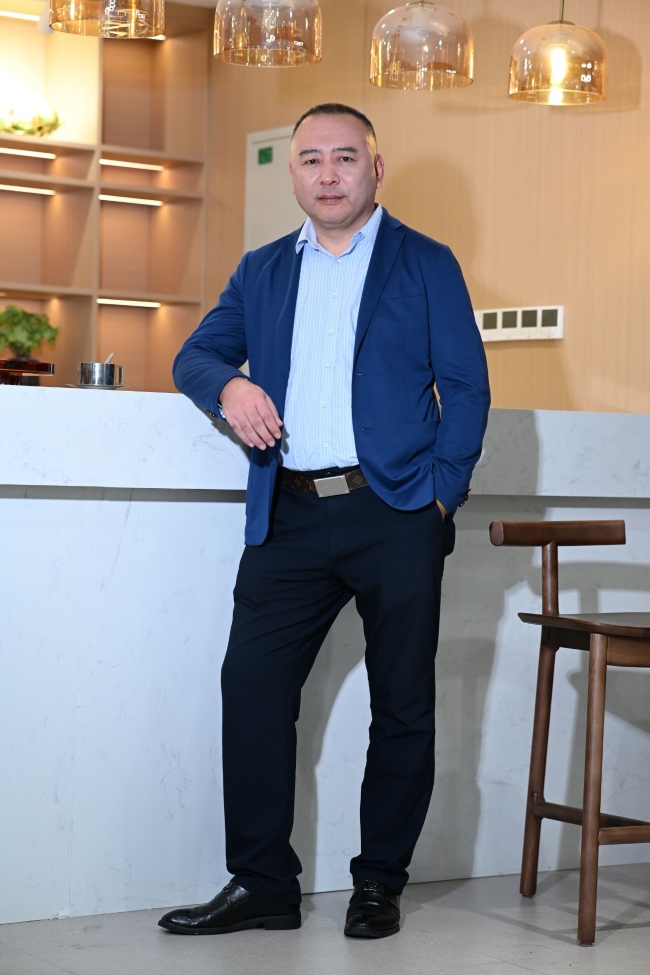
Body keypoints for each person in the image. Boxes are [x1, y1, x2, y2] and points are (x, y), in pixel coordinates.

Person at [159, 103, 490, 941]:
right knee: (253, 689)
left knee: (402, 702)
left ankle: (379, 881)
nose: (328, 173)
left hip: (396, 511)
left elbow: (466, 387)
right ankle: (263, 882)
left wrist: (440, 497)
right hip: (290, 513)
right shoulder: (263, 269)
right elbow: (195, 355)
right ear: (294, 174)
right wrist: (230, 386)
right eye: (311, 159)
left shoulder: (426, 262)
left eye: (345, 157)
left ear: (375, 169)